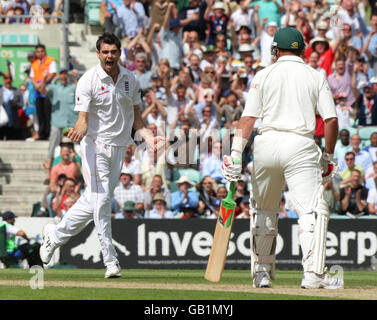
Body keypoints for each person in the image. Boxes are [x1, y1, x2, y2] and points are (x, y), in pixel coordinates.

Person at [221, 27, 342, 289]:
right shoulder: (315, 75)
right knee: (311, 211)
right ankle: (312, 274)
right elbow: (331, 119)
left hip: (266, 144)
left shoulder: (263, 75)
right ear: (302, 49)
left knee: (264, 209)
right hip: (300, 144)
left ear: (276, 50)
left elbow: (248, 118)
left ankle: (262, 271)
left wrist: (234, 155)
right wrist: (329, 156)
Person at [39, 33, 165, 279]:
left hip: (119, 148)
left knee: (94, 200)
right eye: (105, 52)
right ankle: (110, 261)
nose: (109, 56)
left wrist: (149, 139)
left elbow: (137, 121)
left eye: (114, 52)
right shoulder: (88, 80)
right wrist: (77, 132)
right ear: (98, 54)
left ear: (120, 53)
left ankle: (54, 235)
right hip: (94, 146)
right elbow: (83, 122)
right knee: (102, 201)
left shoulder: (131, 79)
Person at [39, 67, 78, 182]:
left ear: (68, 75)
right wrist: (45, 80)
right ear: (59, 76)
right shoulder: (54, 87)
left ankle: (77, 173)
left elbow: (82, 90)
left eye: (65, 73)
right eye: (61, 73)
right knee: (52, 148)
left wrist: (76, 78)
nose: (63, 76)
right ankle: (48, 174)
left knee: (75, 148)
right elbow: (42, 91)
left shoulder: (73, 87)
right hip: (56, 122)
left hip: (71, 122)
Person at [30, 44, 57, 140]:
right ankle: (41, 134)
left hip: (47, 89)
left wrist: (43, 83)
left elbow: (52, 73)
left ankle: (49, 133)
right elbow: (32, 77)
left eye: (41, 51)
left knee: (47, 111)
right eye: (38, 52)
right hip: (38, 91)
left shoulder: (50, 61)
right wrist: (36, 85)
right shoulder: (34, 63)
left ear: (45, 51)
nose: (40, 53)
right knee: (40, 112)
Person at [0, 72, 23, 140]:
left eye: (10, 78)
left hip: (13, 119)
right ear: (3, 80)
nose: (8, 80)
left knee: (12, 138)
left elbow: (21, 104)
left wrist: (15, 104)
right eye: (6, 78)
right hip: (1, 119)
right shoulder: (0, 90)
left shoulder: (17, 91)